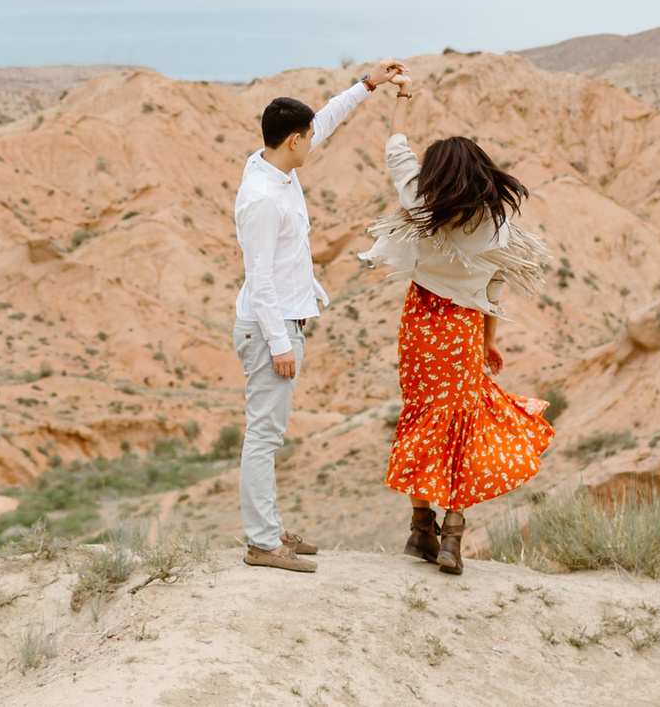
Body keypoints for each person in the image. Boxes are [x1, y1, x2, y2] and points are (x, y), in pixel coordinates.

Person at [235, 58, 409, 573]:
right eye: (308, 137)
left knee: (269, 434)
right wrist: (280, 343)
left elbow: (326, 120)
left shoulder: (270, 165)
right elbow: (260, 277)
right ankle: (263, 543)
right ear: (292, 141)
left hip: (284, 321)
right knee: (263, 437)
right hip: (273, 328)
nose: (315, 141)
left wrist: (366, 86)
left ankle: (269, 529)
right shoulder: (265, 198)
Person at [364, 131, 555, 574]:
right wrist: (487, 342)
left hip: (420, 327)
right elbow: (494, 289)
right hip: (462, 328)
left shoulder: (420, 207)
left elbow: (397, 155)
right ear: (480, 172)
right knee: (462, 426)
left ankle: (419, 529)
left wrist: (400, 99)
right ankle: (451, 535)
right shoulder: (493, 225)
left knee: (420, 418)